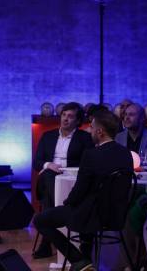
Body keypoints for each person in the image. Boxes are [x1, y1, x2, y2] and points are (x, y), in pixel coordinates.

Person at [33, 106, 133, 271]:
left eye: (92, 127)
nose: (89, 130)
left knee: (40, 220)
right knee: (85, 206)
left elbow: (79, 191)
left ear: (100, 132)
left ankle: (78, 259)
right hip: (117, 215)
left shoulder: (91, 155)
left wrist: (67, 202)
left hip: (92, 216)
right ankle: (86, 257)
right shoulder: (126, 154)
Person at [33, 102, 94, 259]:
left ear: (78, 121)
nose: (65, 119)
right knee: (48, 176)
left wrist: (66, 168)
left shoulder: (85, 138)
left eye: (70, 116)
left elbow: (87, 163)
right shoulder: (47, 136)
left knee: (47, 197)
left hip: (73, 178)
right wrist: (49, 165)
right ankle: (64, 209)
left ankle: (47, 241)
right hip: (50, 176)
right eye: (64, 115)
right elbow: (37, 162)